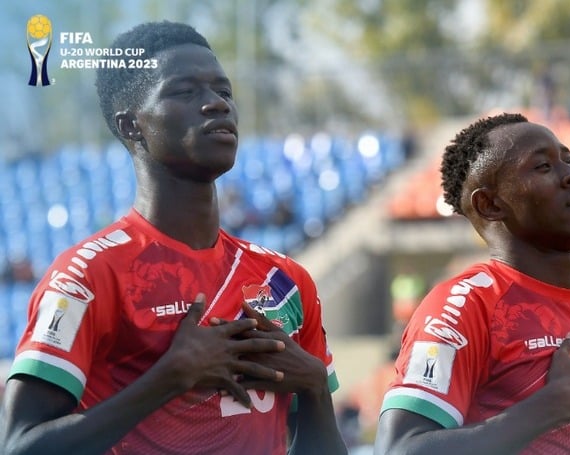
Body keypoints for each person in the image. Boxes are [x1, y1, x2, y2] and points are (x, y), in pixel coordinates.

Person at [0, 21, 347, 455]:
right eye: (185, 92)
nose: (216, 105)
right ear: (132, 126)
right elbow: (20, 446)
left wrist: (314, 388)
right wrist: (170, 377)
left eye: (224, 92)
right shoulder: (88, 275)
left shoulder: (284, 280)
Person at [375, 112, 570, 454]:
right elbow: (399, 449)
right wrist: (553, 406)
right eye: (544, 167)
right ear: (490, 205)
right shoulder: (467, 303)